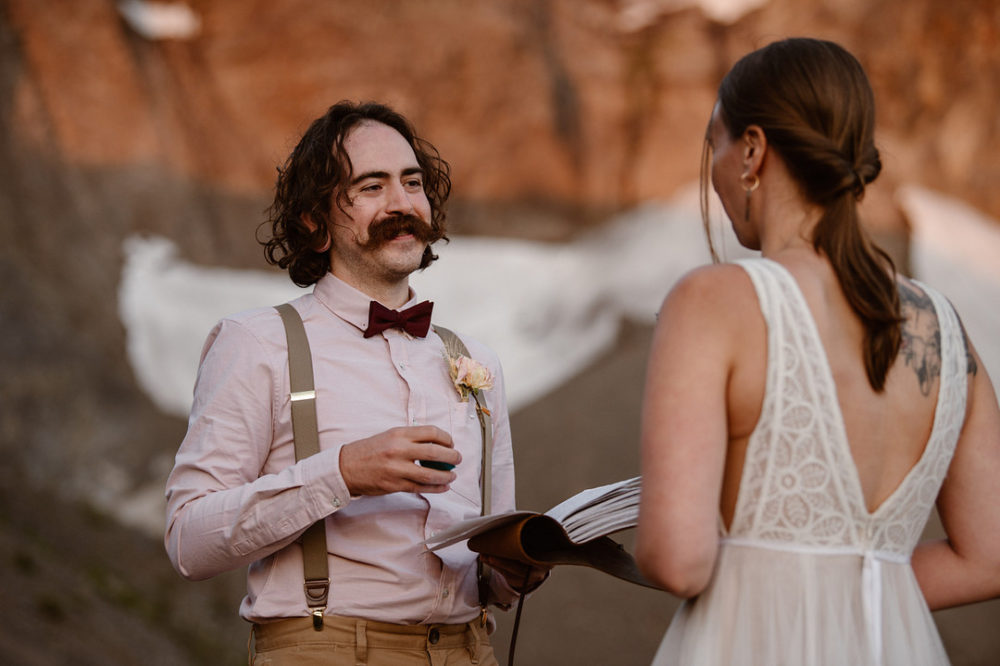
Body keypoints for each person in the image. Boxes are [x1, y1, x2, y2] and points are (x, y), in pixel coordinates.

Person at [635, 38, 1000, 665]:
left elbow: (678, 560)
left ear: (752, 150)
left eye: (714, 144)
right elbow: (989, 556)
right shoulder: (945, 329)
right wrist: (851, 588)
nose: (716, 172)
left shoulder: (715, 301)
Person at [164, 101, 547, 665]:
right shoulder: (257, 343)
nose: (402, 203)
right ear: (315, 222)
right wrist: (342, 473)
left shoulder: (476, 362)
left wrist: (511, 572)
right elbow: (188, 542)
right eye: (371, 186)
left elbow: (486, 566)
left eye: (412, 182)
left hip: (470, 649)